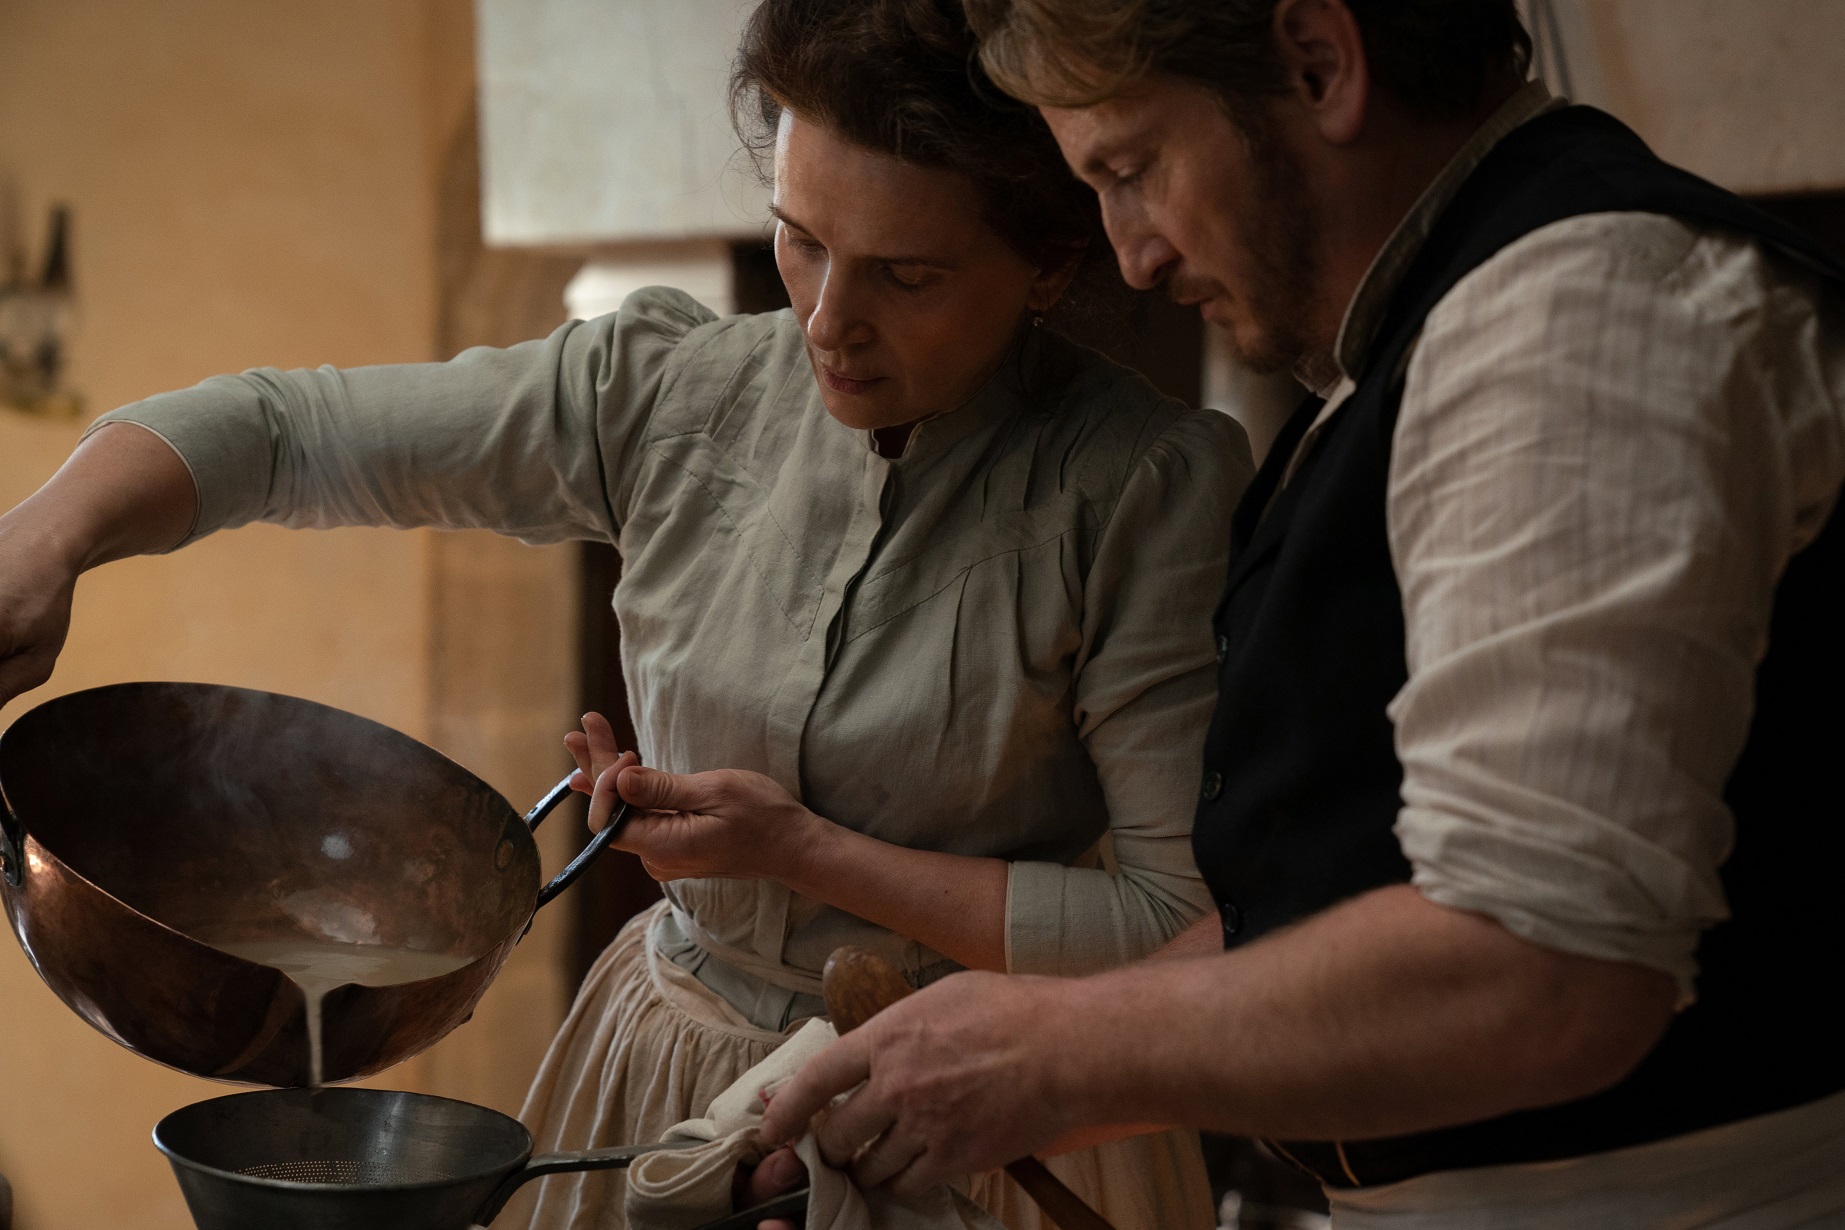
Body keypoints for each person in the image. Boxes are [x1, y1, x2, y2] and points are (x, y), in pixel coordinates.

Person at [0, 1, 1253, 1227]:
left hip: (977, 1114)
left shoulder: (1139, 489)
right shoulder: (667, 393)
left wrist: (806, 854)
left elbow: (1177, 932)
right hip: (663, 1081)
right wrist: (44, 539)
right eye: (801, 240)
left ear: (1055, 261)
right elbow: (287, 435)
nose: (826, 323)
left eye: (907, 275)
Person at [756, 1, 1845, 1226]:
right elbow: (1328, 909)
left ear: (1321, 61)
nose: (1133, 258)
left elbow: (1544, 968)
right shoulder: (1428, 334)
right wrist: (965, 1078)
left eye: (1131, 168)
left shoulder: (1580, 314)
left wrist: (1047, 1053)